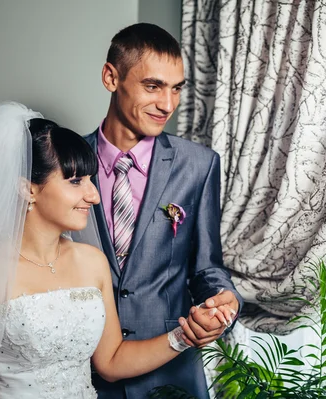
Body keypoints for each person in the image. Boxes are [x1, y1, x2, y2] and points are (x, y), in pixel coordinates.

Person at [0, 102, 215, 399]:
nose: (93, 195)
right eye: (76, 181)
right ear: (28, 188)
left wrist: (184, 337)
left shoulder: (92, 262)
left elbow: (111, 362)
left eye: (91, 179)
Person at [84, 23, 243, 398]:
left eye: (176, 89)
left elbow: (207, 266)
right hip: (84, 370)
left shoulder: (199, 165)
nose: (167, 105)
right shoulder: (66, 164)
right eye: (153, 86)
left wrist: (226, 301)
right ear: (111, 77)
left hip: (171, 373)